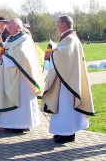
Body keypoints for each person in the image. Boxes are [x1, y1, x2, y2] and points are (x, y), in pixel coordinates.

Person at [41, 15, 95, 143]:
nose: (56, 25)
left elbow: (65, 56)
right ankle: (61, 131)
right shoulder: (68, 38)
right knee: (62, 106)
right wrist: (54, 53)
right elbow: (63, 54)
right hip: (64, 78)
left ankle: (68, 133)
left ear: (64, 25)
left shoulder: (71, 38)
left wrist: (52, 53)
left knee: (66, 106)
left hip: (68, 81)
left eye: (58, 22)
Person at [0, 18, 44, 133]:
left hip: (22, 75)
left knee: (21, 97)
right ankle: (9, 123)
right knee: (7, 95)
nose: (8, 28)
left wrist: (5, 57)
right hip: (8, 73)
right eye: (9, 26)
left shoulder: (25, 39)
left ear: (19, 27)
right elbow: (4, 49)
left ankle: (22, 124)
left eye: (11, 26)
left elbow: (22, 54)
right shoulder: (10, 38)